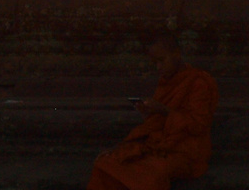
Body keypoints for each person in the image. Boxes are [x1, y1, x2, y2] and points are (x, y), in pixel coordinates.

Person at [87, 36, 219, 190]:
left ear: (176, 54)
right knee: (105, 163)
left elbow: (198, 125)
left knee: (150, 173)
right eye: (155, 63)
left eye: (162, 60)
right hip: (159, 145)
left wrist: (163, 110)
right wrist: (148, 113)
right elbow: (156, 124)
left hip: (186, 151)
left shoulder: (198, 83)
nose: (158, 67)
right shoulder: (166, 82)